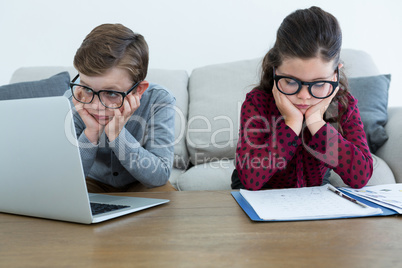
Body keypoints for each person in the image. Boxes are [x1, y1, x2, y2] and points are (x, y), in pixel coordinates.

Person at [232, 6, 373, 190]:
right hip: (259, 195)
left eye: (319, 84)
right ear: (275, 70)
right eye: (291, 81)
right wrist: (291, 123)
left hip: (311, 197)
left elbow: (360, 176)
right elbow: (250, 179)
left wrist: (316, 123)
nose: (304, 96)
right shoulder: (257, 103)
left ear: (335, 74)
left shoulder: (343, 105)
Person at [64, 23, 176, 192]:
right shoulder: (73, 100)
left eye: (111, 93)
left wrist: (117, 134)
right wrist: (91, 133)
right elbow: (66, 179)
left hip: (141, 183)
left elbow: (159, 176)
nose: (95, 106)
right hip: (90, 181)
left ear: (138, 90)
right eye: (87, 88)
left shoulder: (159, 100)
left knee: (169, 202)